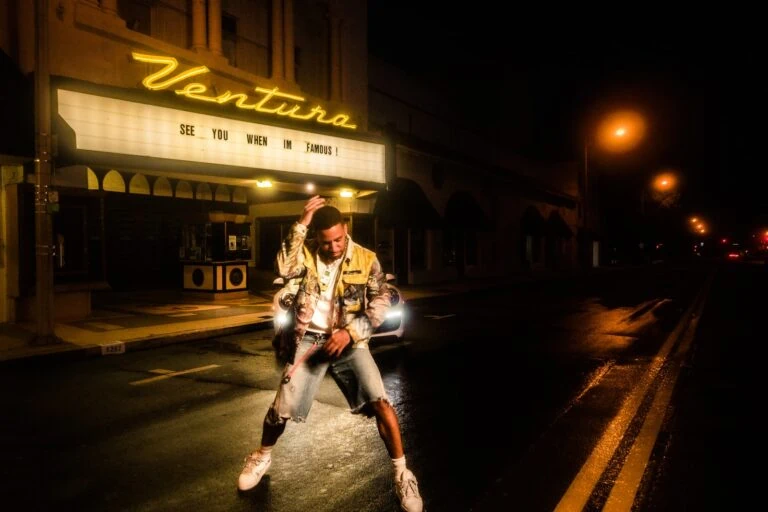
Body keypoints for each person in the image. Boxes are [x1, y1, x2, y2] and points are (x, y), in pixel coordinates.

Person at [237, 196, 423, 512]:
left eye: (338, 239)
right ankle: (261, 456)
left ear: (345, 230)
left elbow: (380, 302)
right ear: (317, 238)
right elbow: (283, 265)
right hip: (309, 341)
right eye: (327, 242)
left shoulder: (367, 259)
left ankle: (402, 474)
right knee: (280, 409)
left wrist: (350, 333)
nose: (334, 247)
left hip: (350, 342)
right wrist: (302, 222)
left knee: (380, 402)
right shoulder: (306, 255)